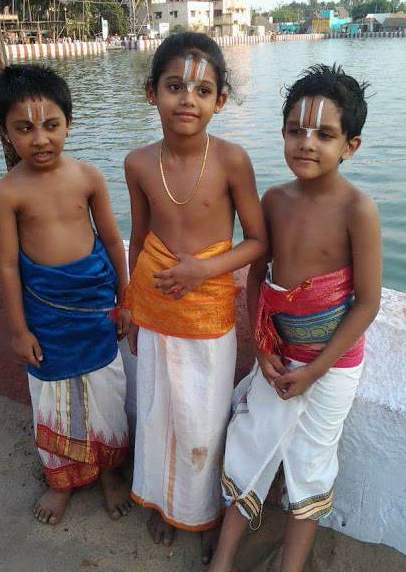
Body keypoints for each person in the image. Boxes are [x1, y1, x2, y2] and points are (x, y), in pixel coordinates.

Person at [206, 64, 382, 572]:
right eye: (295, 130)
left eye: (324, 134)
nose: (306, 143)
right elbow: (258, 276)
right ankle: (222, 559)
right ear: (282, 133)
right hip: (278, 355)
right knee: (249, 445)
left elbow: (367, 303)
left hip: (331, 364)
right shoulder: (274, 201)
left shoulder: (358, 210)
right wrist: (262, 348)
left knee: (310, 463)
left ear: (350, 146)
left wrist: (316, 369)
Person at [124, 32, 266, 564]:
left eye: (203, 90)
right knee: (159, 413)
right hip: (156, 309)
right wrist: (132, 306)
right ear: (151, 93)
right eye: (174, 86)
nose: (188, 99)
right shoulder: (138, 163)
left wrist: (203, 269)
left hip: (208, 314)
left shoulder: (232, 160)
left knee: (203, 421)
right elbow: (139, 240)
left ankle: (204, 512)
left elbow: (258, 240)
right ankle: (165, 504)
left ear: (220, 101)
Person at [0, 64, 133, 526]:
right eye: (24, 128)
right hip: (45, 315)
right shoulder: (7, 192)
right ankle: (62, 480)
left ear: (68, 123)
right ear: (5, 132)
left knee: (106, 392)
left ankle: (110, 472)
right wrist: (19, 330)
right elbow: (8, 265)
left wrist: (125, 300)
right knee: (52, 399)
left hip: (95, 308)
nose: (40, 139)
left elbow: (111, 241)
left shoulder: (88, 177)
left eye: (51, 125)